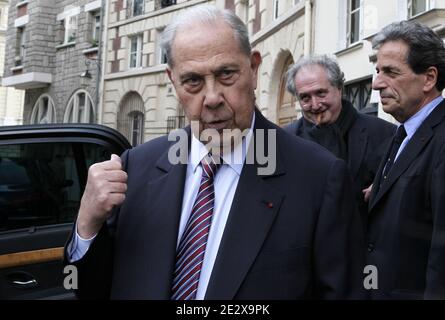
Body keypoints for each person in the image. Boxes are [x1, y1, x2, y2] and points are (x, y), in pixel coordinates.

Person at [64, 5, 365, 299]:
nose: (211, 98)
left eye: (226, 75)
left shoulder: (319, 177)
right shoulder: (136, 167)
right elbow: (88, 288)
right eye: (192, 80)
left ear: (254, 68)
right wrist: (87, 226)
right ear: (173, 80)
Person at [367, 20, 445, 299]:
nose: (376, 83)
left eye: (390, 72)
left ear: (429, 78)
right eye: (377, 70)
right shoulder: (403, 133)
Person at [285, 55, 395, 229]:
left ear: (339, 88)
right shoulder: (282, 141)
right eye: (305, 98)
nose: (315, 105)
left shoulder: (386, 134)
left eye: (321, 93)